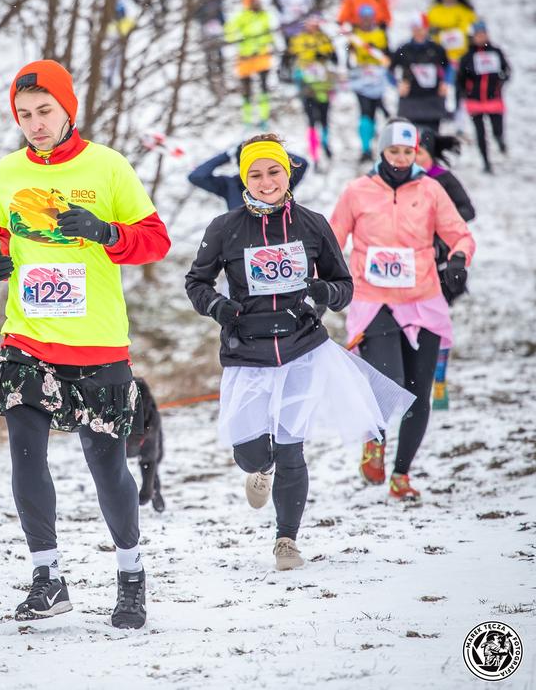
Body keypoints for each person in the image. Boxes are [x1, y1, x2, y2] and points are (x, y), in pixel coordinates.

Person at [0, 60, 171, 628]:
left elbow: (155, 242)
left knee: (107, 467)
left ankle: (131, 577)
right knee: (25, 458)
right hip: (27, 339)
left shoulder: (108, 166)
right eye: (24, 115)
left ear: (68, 110)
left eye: (45, 111)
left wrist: (106, 232)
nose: (35, 124)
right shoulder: (7, 171)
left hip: (96, 344)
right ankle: (48, 576)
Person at [185, 134, 415, 569]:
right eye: (255, 173)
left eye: (274, 171)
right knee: (252, 451)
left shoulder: (311, 224)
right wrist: (218, 306)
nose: (265, 180)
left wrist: (321, 290)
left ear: (287, 173)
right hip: (247, 351)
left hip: (301, 350)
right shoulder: (225, 227)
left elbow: (344, 286)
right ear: (243, 179)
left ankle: (286, 540)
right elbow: (196, 282)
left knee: (293, 447)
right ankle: (260, 467)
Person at [330, 118, 475, 502]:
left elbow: (459, 233)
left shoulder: (430, 190)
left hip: (423, 299)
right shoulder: (357, 191)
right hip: (374, 299)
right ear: (381, 151)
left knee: (418, 392)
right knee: (388, 382)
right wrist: (324, 282)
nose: (400, 158)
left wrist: (459, 259)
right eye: (393, 151)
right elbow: (332, 238)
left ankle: (401, 475)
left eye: (407, 152)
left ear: (416, 153)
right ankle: (373, 441)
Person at [416, 130, 475, 410]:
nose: (412, 159)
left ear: (430, 155)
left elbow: (468, 210)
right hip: (408, 269)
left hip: (441, 266)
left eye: (418, 154)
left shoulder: (442, 178)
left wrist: (441, 220)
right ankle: (418, 380)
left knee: (436, 325)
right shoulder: (399, 184)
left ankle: (438, 381)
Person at [457, 20, 511, 173]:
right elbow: (460, 77)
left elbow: (506, 70)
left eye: (483, 34)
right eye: (478, 35)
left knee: (497, 129)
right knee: (481, 133)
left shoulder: (496, 52)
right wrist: (464, 92)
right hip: (474, 100)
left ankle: (500, 141)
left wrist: (501, 82)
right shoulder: (467, 56)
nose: (481, 37)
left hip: (494, 98)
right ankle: (486, 162)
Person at [188, 142, 309, 209]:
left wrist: (271, 149)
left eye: (271, 170)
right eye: (253, 170)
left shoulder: (278, 181)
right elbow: (197, 177)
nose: (265, 183)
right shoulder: (230, 185)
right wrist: (225, 155)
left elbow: (302, 163)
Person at [426, 0, 477, 133]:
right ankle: (442, 114)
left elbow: (472, 31)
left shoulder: (465, 12)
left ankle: (459, 120)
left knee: (461, 89)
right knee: (441, 87)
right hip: (441, 58)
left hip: (462, 58)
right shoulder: (433, 11)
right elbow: (428, 30)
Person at [289, 14, 338, 165]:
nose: (313, 26)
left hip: (322, 84)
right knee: (311, 120)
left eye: (315, 23)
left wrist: (322, 55)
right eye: (311, 23)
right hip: (306, 85)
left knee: (324, 117)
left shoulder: (324, 38)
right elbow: (293, 56)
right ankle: (314, 152)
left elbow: (334, 57)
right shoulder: (299, 39)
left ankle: (325, 143)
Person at [224, 0, 275, 129]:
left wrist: (264, 44)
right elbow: (230, 32)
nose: (255, 3)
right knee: (247, 90)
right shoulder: (241, 17)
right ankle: (247, 120)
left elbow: (268, 33)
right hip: (245, 57)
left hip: (262, 56)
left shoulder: (264, 15)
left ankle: (264, 118)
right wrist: (242, 40)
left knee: (264, 88)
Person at [390, 12, 449, 133]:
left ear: (427, 29)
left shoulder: (437, 49)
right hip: (410, 101)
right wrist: (397, 84)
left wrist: (446, 82)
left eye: (421, 28)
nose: (418, 32)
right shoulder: (404, 49)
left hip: (433, 99)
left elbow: (449, 67)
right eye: (415, 28)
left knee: (432, 138)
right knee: (410, 139)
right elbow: (389, 70)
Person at [347, 4, 390, 162]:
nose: (366, 21)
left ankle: (377, 143)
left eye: (368, 18)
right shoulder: (355, 35)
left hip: (377, 78)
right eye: (363, 18)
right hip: (361, 77)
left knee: (375, 109)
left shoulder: (380, 34)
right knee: (365, 111)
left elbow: (387, 56)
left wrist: (375, 50)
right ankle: (366, 148)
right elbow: (348, 55)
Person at [271, 0, 322, 80]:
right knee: (291, 45)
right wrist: (281, 10)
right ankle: (285, 70)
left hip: (306, 14)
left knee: (311, 41)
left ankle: (311, 67)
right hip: (289, 16)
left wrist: (316, 10)